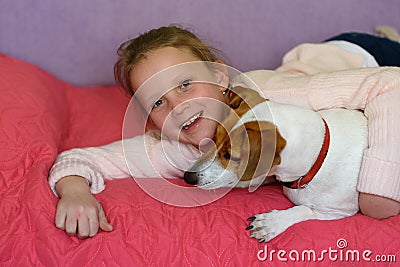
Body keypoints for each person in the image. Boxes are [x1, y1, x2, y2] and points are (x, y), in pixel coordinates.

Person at [49, 25, 400, 238]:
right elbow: (88, 158)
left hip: (360, 56)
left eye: (185, 84)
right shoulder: (182, 145)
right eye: (157, 103)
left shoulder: (276, 100)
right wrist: (75, 189)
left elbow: (389, 84)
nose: (178, 107)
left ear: (220, 77)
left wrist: (380, 183)